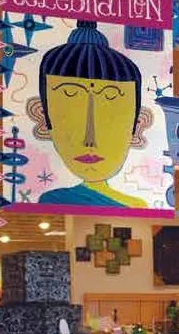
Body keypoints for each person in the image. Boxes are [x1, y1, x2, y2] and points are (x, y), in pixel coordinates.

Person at [33, 20, 147, 207]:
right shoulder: (52, 201)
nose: (90, 140)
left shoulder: (138, 206)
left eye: (109, 122)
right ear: (43, 119)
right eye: (71, 120)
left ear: (138, 125)